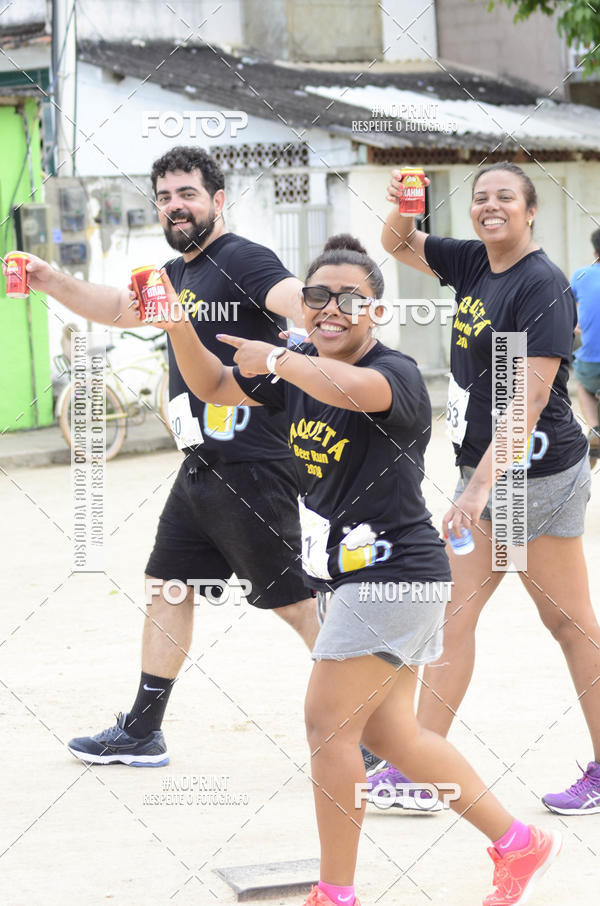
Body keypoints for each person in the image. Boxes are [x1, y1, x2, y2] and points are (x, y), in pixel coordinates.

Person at [154, 232, 562, 906]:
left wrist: (279, 358)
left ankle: (334, 892)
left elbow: (357, 391)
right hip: (350, 581)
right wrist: (177, 324)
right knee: (392, 734)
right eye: (318, 295)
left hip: (392, 575)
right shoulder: (301, 366)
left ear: (377, 310)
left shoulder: (393, 372)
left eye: (351, 298)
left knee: (326, 725)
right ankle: (519, 843)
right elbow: (213, 385)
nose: (331, 308)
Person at [9, 146, 318, 765]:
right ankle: (143, 730)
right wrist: (49, 279)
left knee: (299, 605)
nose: (175, 206)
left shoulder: (242, 259)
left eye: (188, 195)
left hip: (254, 465)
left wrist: (319, 320)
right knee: (168, 586)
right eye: (166, 197)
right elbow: (117, 309)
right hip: (202, 466)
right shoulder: (176, 274)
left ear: (218, 200)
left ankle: (377, 737)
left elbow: (294, 297)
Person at [378, 161, 600, 816]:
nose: (490, 205)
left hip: (535, 478)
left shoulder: (543, 285)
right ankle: (421, 769)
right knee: (450, 618)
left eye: (506, 196)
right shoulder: (474, 262)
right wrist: (406, 203)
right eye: (480, 197)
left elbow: (526, 402)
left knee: (569, 625)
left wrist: (475, 492)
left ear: (530, 211)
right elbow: (397, 243)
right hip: (486, 473)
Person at [571, 228, 600, 463]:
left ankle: (595, 427)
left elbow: (565, 308)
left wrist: (576, 323)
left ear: (595, 253)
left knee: (584, 386)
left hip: (590, 362)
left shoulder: (581, 275)